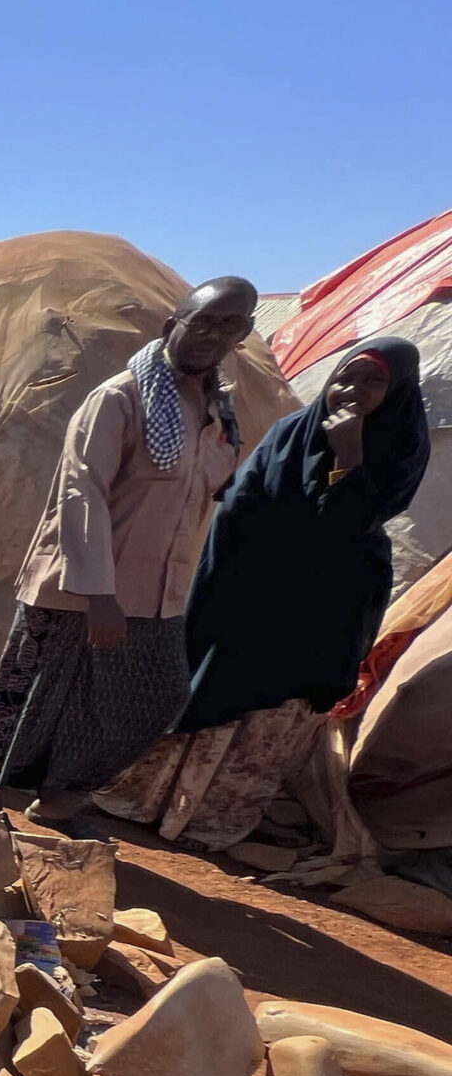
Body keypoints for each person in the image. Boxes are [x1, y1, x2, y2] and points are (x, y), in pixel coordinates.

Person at [98, 338, 431, 848]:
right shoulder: (291, 431)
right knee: (206, 690)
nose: (354, 388)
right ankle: (142, 802)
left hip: (323, 606)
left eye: (374, 381)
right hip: (250, 590)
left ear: (397, 390)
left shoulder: (401, 444)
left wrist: (349, 456)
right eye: (348, 374)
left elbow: (353, 524)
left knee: (270, 715)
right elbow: (238, 508)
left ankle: (211, 825)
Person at [0, 277, 258, 827]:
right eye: (201, 322)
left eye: (229, 325)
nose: (211, 335)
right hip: (83, 588)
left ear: (243, 333)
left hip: (159, 594)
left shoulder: (220, 410)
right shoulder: (120, 397)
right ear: (173, 326)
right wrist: (98, 593)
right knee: (34, 701)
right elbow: (82, 492)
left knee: (156, 697)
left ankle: (61, 794)